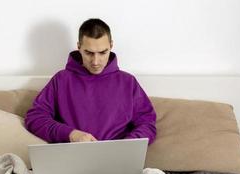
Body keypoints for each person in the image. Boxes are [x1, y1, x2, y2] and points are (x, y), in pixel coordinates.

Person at [25, 18, 156, 145]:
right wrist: (71, 134)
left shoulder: (128, 82)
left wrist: (126, 145)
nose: (95, 62)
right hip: (73, 157)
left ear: (111, 46)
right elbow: (35, 118)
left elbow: (147, 124)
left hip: (118, 159)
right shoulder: (61, 80)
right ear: (79, 47)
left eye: (103, 52)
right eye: (89, 53)